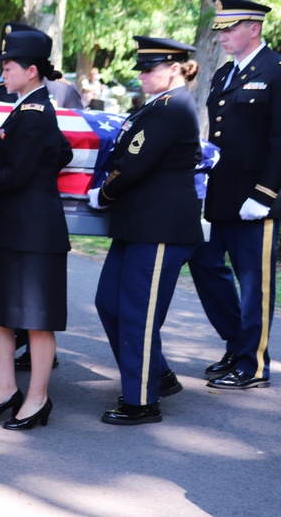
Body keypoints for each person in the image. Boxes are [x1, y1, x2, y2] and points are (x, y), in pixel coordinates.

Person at [188, 0, 281, 390]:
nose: (221, 34)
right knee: (204, 263)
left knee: (254, 283)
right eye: (220, 28)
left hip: (258, 200)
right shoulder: (225, 74)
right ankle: (237, 344)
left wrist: (265, 193)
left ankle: (253, 365)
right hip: (222, 196)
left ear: (254, 28)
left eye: (230, 28)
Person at [89, 37, 204, 425]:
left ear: (174, 69)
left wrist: (103, 193)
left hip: (160, 227)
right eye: (141, 68)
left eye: (149, 68)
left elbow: (133, 163)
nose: (141, 75)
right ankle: (159, 375)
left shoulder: (171, 108)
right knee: (109, 302)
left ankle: (141, 402)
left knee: (138, 313)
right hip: (139, 223)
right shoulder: (157, 107)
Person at [0, 28, 72, 431]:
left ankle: (38, 397)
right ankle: (6, 389)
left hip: (32, 233)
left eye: (7, 67)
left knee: (36, 319)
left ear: (31, 70)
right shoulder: (29, 109)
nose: (1, 73)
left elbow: (14, 174)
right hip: (10, 228)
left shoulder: (36, 113)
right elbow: (63, 151)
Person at [0, 23, 82, 109]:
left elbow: (76, 126)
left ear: (31, 71)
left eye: (8, 69)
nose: (3, 75)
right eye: (4, 68)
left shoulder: (64, 91)